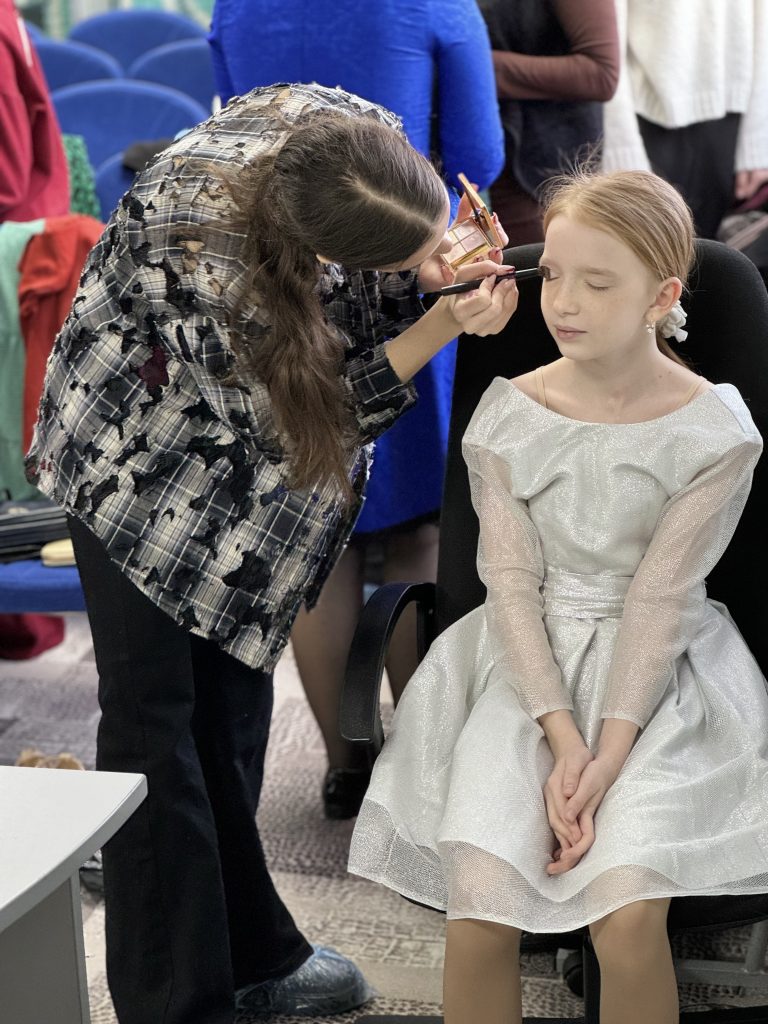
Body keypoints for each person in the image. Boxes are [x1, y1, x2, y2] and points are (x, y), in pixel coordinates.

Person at [24, 82, 519, 1024]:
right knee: (157, 736)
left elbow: (352, 313)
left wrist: (428, 264)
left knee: (234, 718)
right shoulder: (199, 242)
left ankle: (254, 957)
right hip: (136, 471)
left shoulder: (349, 131)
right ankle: (178, 1005)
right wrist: (441, 323)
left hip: (252, 493)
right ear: (323, 251)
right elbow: (296, 428)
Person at [349, 167, 768, 1024]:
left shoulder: (713, 430)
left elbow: (661, 598)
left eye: (597, 284)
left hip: (661, 685)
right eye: (554, 277)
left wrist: (605, 755)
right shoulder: (510, 415)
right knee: (479, 915)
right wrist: (561, 736)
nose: (564, 303)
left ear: (663, 296)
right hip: (523, 667)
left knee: (627, 920)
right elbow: (510, 585)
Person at [208, 0, 506, 818]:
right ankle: (424, 768)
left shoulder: (235, 5)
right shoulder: (434, 3)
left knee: (318, 541)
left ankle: (346, 768)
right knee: (417, 534)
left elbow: (233, 136)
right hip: (399, 272)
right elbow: (479, 154)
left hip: (279, 284)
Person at [602, 0, 768, 239]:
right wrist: (621, 150)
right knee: (648, 250)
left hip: (730, 122)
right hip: (647, 123)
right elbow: (605, 47)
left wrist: (756, 141)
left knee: (713, 256)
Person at [477, 0, 619, 244]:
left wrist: (469, 62)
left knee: (533, 263)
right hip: (473, 153)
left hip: (537, 171)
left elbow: (601, 73)